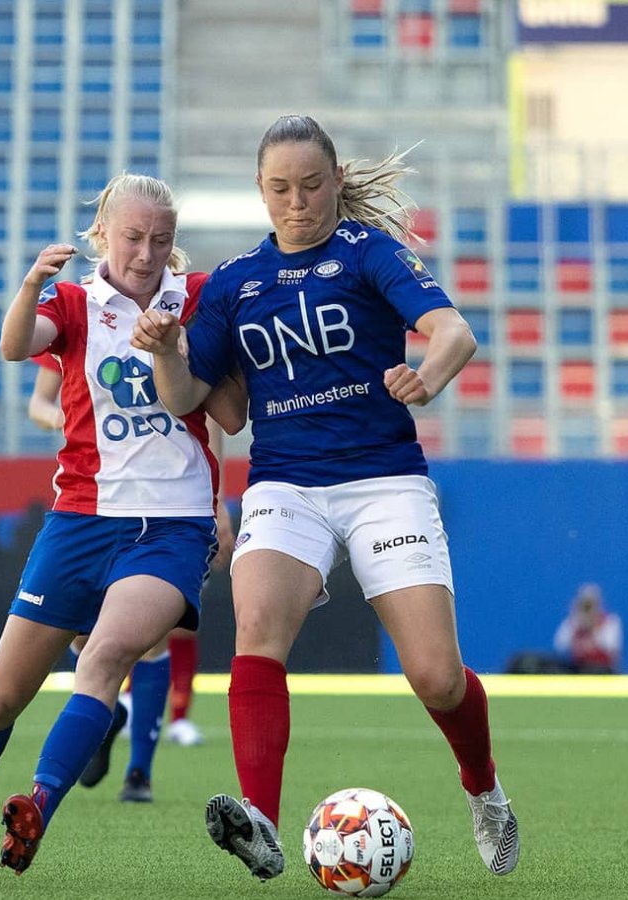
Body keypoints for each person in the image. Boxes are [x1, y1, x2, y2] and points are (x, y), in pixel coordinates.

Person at [131, 114, 520, 882]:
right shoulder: (237, 281)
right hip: (285, 482)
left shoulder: (370, 253)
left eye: (311, 185)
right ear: (260, 189)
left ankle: (484, 789)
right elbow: (191, 397)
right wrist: (168, 353)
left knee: (437, 677)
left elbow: (454, 332)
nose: (297, 202)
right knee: (256, 632)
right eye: (280, 188)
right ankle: (261, 823)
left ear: (336, 181)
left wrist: (427, 377)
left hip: (384, 479)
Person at [0, 172, 244, 878]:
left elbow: (226, 413)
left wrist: (219, 501)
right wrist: (28, 285)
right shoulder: (75, 302)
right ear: (102, 233)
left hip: (173, 525)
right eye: (133, 237)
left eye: (161, 240)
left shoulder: (197, 298)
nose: (147, 253)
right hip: (79, 519)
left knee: (106, 658)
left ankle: (39, 806)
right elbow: (16, 346)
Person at [24, 352, 232, 803]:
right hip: (94, 500)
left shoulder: (174, 327)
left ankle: (140, 772)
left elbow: (210, 415)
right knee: (84, 637)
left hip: (169, 507)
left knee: (152, 637)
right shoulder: (80, 327)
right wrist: (65, 416)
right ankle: (108, 712)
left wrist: (216, 500)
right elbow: (38, 403)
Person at [506, 583, 621, 675]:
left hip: (601, 669)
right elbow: (560, 646)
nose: (588, 608)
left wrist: (594, 627)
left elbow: (611, 647)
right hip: (579, 669)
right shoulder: (574, 622)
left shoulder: (610, 622)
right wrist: (576, 622)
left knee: (596, 671)